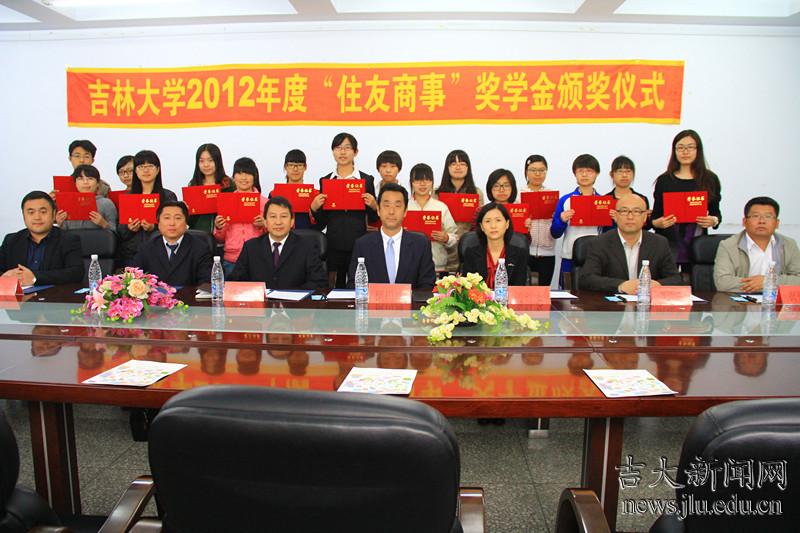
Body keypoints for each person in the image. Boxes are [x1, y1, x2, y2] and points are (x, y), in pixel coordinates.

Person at [309, 133, 378, 288]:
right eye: (338, 148)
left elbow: (373, 219)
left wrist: (374, 206)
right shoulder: (326, 180)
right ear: (333, 151)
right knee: (334, 288)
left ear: (355, 152)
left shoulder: (366, 180)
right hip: (334, 244)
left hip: (359, 243)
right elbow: (322, 223)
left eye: (347, 148)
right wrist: (314, 208)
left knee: (358, 285)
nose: (342, 152)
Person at [581, 194, 681, 294]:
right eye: (624, 211)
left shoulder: (659, 243)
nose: (630, 217)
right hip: (612, 302)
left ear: (645, 217)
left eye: (636, 211)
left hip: (647, 300)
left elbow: (675, 278)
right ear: (615, 215)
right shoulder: (599, 243)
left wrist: (657, 285)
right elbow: (586, 279)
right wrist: (620, 286)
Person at [651, 129, 722, 268]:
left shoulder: (710, 179)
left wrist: (713, 220)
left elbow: (716, 213)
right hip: (669, 244)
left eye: (690, 147)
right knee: (669, 279)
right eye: (680, 148)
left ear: (698, 150)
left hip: (696, 242)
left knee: (694, 278)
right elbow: (655, 216)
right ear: (674, 151)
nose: (685, 152)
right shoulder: (664, 180)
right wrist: (658, 223)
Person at [347, 183, 435, 289]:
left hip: (411, 300)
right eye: (386, 205)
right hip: (373, 300)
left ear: (405, 211)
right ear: (378, 210)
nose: (391, 212)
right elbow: (354, 284)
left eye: (397, 206)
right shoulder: (362, 244)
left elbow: (427, 285)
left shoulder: (421, 244)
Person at [230, 196, 328, 290]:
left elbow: (319, 283)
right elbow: (235, 282)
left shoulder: (307, 246)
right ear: (265, 221)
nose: (278, 222)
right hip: (261, 301)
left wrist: (289, 295)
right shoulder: (251, 247)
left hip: (293, 301)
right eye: (273, 217)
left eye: (283, 216)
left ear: (292, 221)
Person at [714, 196, 800, 292]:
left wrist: (768, 281)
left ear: (777, 223)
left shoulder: (789, 245)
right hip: (740, 300)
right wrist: (762, 285)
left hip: (776, 299)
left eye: (768, 216)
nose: (762, 221)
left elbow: (798, 279)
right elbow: (722, 283)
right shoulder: (728, 246)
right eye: (755, 216)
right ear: (744, 222)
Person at [0, 191, 83, 285]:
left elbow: (76, 273)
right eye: (31, 212)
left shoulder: (68, 240)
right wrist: (5, 276)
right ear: (24, 216)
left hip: (53, 293)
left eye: (43, 212)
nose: (37, 217)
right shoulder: (11, 240)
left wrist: (34, 277)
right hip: (18, 294)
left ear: (54, 214)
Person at [117, 150, 178, 266]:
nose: (146, 170)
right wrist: (129, 228)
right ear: (136, 171)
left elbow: (173, 225)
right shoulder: (128, 198)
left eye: (150, 166)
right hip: (132, 254)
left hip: (160, 253)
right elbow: (121, 231)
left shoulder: (168, 196)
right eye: (141, 167)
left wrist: (153, 227)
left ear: (158, 169)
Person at [550, 154, 604, 286]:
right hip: (569, 256)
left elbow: (609, 233)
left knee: (594, 291)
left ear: (597, 174)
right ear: (575, 173)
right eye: (580, 171)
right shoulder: (565, 200)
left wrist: (613, 220)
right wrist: (561, 220)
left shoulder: (603, 202)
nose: (584, 175)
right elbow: (555, 233)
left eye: (589, 171)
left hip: (596, 257)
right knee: (567, 291)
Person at [131, 201, 212, 287]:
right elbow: (134, 279)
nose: (172, 223)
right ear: (158, 224)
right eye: (167, 218)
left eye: (178, 218)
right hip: (156, 295)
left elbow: (206, 283)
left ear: (186, 223)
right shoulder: (146, 249)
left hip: (189, 295)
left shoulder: (200, 248)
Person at [213, 157, 267, 276]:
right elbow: (220, 239)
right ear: (233, 177)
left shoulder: (264, 203)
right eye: (239, 173)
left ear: (254, 176)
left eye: (248, 173)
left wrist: (264, 225)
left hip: (258, 259)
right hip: (232, 260)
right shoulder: (226, 202)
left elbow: (274, 234)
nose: (244, 178)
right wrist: (219, 227)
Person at [435, 149, 485, 272]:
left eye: (462, 164)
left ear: (468, 168)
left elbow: (480, 222)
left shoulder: (476, 192)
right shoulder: (437, 193)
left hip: (469, 246)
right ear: (447, 168)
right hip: (443, 245)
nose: (458, 167)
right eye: (454, 164)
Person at [460, 202, 529, 287]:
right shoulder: (471, 253)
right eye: (488, 221)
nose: (493, 226)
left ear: (507, 224)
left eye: (498, 220)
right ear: (481, 226)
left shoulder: (519, 254)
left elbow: (519, 288)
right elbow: (467, 288)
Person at [407, 163, 458, 275]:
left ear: (432, 182)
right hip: (407, 263)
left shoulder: (441, 207)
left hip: (437, 264)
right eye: (418, 180)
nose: (423, 184)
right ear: (411, 182)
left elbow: (454, 236)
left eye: (427, 180)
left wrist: (446, 238)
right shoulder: (404, 206)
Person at [521, 155, 556, 287]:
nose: (537, 174)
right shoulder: (518, 195)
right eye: (533, 170)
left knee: (543, 292)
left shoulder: (552, 195)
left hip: (547, 252)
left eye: (541, 170)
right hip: (525, 252)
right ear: (526, 172)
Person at [187, 143, 233, 234]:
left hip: (224, 235)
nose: (206, 165)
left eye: (210, 160)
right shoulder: (193, 185)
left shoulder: (228, 184)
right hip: (198, 235)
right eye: (201, 161)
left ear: (218, 161)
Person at [55, 165, 117, 231]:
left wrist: (103, 224)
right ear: (75, 183)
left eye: (90, 178)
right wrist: (60, 224)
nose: (85, 182)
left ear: (98, 183)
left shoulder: (106, 203)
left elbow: (115, 232)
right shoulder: (68, 204)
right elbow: (65, 232)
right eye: (80, 179)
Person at [603, 155, 650, 232]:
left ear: (633, 174)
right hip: (609, 238)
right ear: (612, 174)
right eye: (620, 171)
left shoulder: (641, 199)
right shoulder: (604, 200)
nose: (624, 175)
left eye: (628, 171)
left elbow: (646, 226)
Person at [278, 149, 316, 230]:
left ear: (305, 167)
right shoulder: (275, 193)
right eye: (291, 165)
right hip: (282, 236)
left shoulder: (315, 194)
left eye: (299, 165)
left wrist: (314, 210)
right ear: (285, 167)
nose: (295, 169)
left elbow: (320, 224)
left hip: (307, 236)